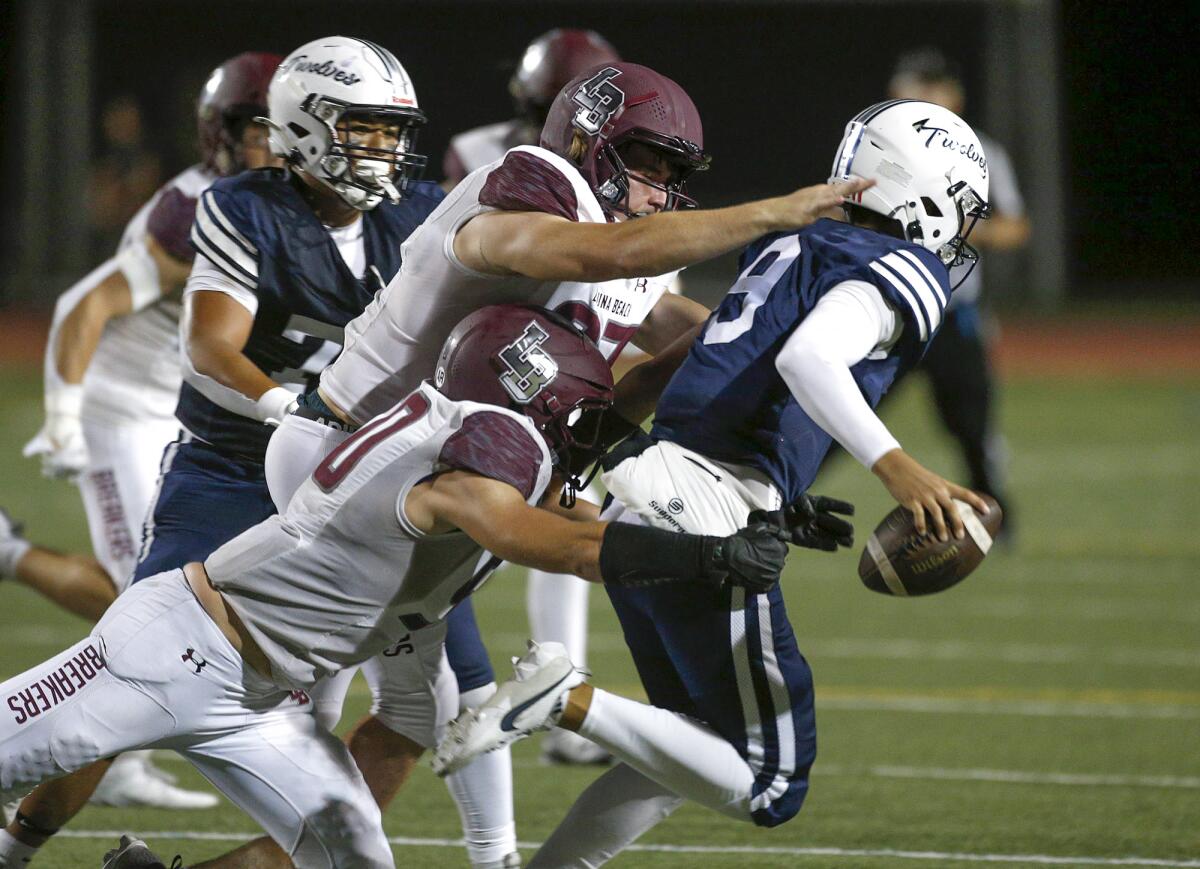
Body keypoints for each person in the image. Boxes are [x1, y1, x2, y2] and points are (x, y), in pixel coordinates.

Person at [262, 59, 870, 868]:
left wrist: (773, 415)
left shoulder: (629, 250)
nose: (659, 189)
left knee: (408, 710)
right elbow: (592, 257)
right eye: (650, 163)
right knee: (300, 700)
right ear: (587, 136)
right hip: (357, 452)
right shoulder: (533, 184)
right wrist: (772, 215)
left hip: (441, 468)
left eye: (675, 174)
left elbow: (686, 342)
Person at [0, 306, 792, 869]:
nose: (581, 431)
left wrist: (747, 323)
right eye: (566, 413)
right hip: (167, 654)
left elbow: (608, 423)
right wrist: (706, 557)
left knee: (355, 857)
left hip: (259, 700)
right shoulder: (464, 465)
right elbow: (552, 539)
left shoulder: (465, 433)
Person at [433, 98, 996, 866]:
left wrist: (782, 495)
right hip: (706, 505)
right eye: (959, 210)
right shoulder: (906, 265)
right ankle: (563, 697)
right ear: (925, 194)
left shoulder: (801, 244)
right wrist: (896, 466)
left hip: (654, 481)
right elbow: (810, 361)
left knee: (688, 743)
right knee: (773, 781)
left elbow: (735, 375)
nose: (959, 233)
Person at [0, 35, 444, 868]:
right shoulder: (240, 205)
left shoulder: (419, 213)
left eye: (394, 130)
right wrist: (298, 415)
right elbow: (209, 345)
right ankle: (15, 841)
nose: (386, 148)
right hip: (231, 468)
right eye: (367, 127)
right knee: (126, 668)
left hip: (335, 497)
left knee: (355, 819)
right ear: (306, 128)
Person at [0, 53, 281, 859]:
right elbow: (86, 302)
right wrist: (61, 417)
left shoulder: (287, 205)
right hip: (124, 414)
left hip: (189, 424)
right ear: (223, 134)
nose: (279, 143)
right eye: (261, 125)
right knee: (138, 620)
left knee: (169, 623)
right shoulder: (196, 206)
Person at [442, 26, 621, 767]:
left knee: (568, 508)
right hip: (476, 364)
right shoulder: (488, 157)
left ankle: (559, 692)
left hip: (556, 359)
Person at [886, 48, 1030, 530]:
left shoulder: (982, 152)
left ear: (955, 94)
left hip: (951, 314)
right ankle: (783, 503)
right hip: (887, 312)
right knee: (837, 414)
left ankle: (994, 522)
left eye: (933, 85)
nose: (923, 96)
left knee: (972, 428)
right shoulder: (877, 145)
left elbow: (1014, 228)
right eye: (914, 84)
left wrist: (958, 225)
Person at [442, 28, 620, 188]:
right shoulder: (480, 150)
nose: (555, 124)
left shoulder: (622, 161)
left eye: (569, 115)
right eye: (547, 110)